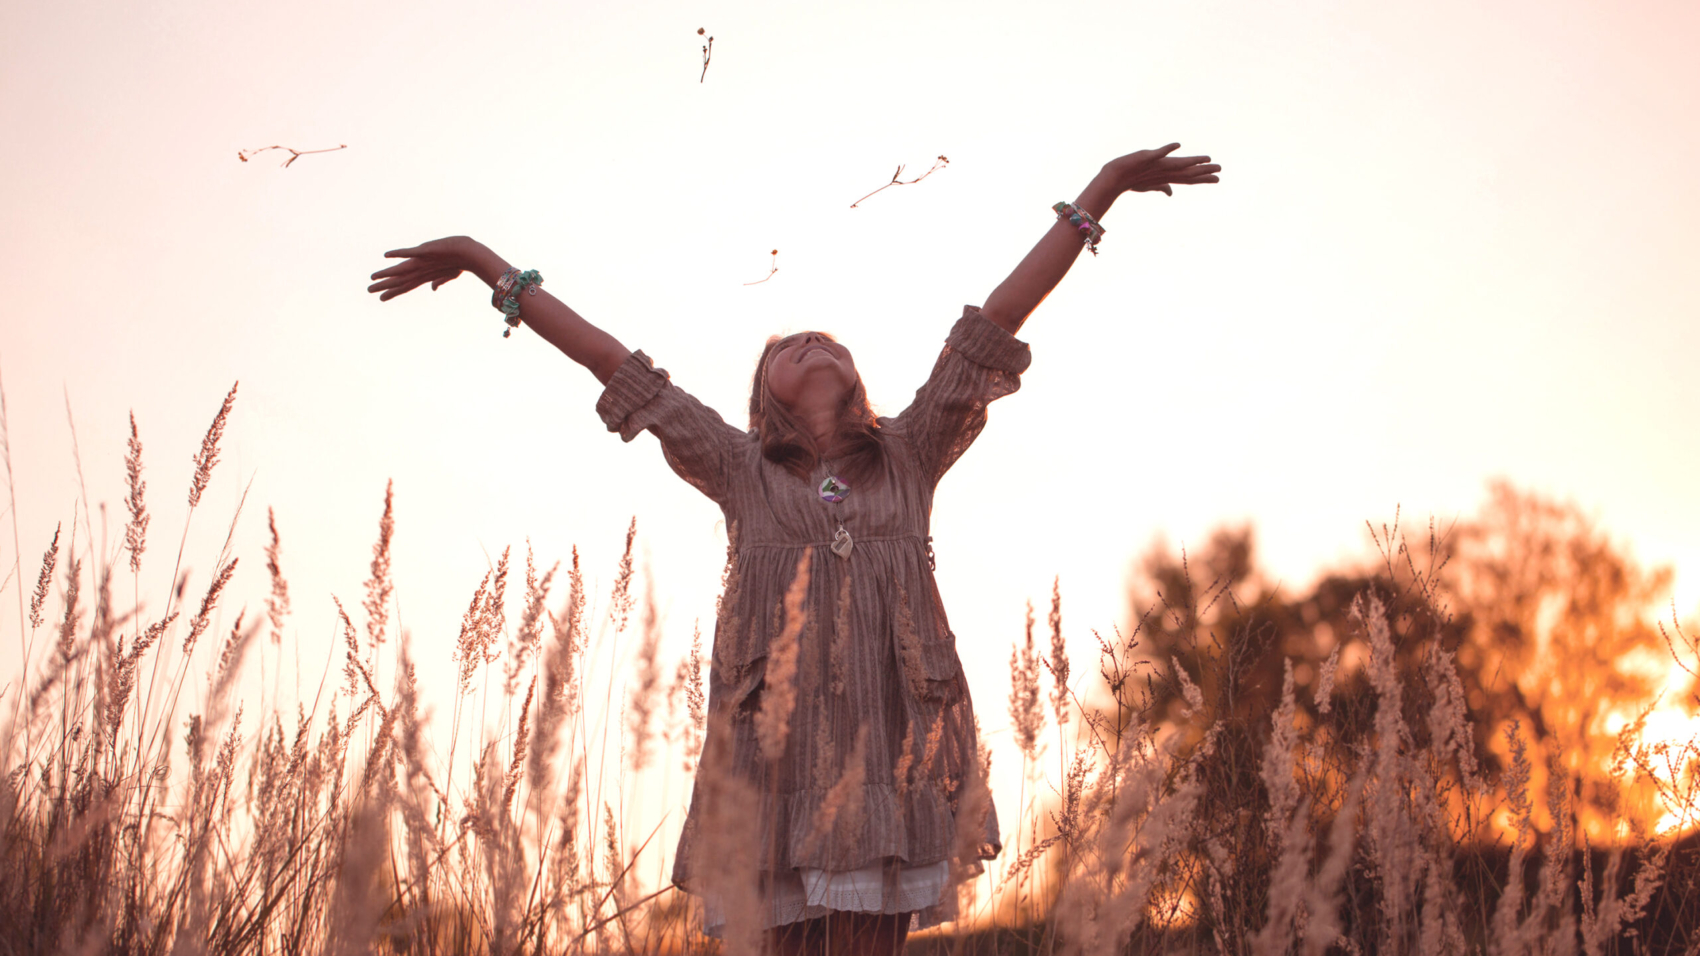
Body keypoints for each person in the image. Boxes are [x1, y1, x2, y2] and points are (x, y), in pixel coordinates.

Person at [368, 143, 1219, 955]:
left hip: (889, 756)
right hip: (773, 762)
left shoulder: (911, 453)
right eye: (786, 347)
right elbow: (611, 361)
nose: (811, 342)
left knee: (866, 946)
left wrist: (1101, 188)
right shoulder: (738, 467)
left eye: (827, 340)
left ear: (856, 378)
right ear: (763, 395)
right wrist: (486, 261)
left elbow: (996, 321)